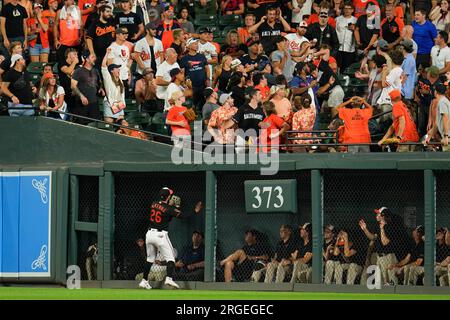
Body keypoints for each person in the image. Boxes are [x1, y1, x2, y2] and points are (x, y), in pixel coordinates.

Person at [138, 187, 203, 289]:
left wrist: (170, 205)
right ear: (168, 196)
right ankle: (169, 279)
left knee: (150, 259)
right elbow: (183, 215)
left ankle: (144, 280)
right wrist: (195, 211)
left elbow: (165, 216)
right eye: (170, 195)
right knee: (171, 258)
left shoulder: (153, 203)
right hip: (160, 235)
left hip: (149, 234)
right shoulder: (169, 209)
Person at [359, 207, 410, 286]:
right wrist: (365, 229)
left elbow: (385, 242)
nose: (376, 215)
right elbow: (373, 238)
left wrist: (382, 228)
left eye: (378, 214)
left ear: (383, 216)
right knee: (381, 283)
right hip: (380, 257)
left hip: (389, 257)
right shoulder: (379, 226)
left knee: (391, 282)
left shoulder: (390, 227)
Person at [228, 87, 265, 153]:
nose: (261, 96)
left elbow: (265, 124)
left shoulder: (261, 110)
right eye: (259, 94)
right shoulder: (243, 108)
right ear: (254, 96)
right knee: (239, 158)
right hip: (242, 137)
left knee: (254, 160)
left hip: (254, 138)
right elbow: (234, 121)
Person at [71, 51, 104, 125]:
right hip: (82, 104)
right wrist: (81, 96)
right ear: (87, 59)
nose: (94, 59)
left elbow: (99, 83)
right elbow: (73, 86)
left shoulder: (96, 70)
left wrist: (101, 88)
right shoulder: (78, 71)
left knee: (96, 124)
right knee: (82, 125)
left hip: (94, 103)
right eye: (92, 57)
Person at [180, 38, 209, 112]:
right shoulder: (184, 59)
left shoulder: (201, 56)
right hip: (191, 87)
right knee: (192, 106)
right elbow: (182, 73)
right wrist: (183, 84)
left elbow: (207, 69)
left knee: (203, 105)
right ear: (189, 46)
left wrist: (208, 79)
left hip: (202, 85)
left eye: (197, 44)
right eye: (195, 44)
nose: (197, 45)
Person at [54, 0, 83, 67]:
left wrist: (80, 37)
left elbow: (81, 26)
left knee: (77, 66)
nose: (73, 1)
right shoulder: (59, 12)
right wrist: (55, 39)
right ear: (65, 1)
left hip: (75, 44)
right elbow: (55, 26)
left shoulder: (77, 12)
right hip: (63, 44)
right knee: (63, 66)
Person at [101, 48, 126, 123]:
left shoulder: (120, 79)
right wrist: (107, 53)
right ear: (112, 70)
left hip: (119, 104)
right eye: (117, 68)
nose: (119, 69)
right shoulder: (108, 78)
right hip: (110, 104)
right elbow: (103, 66)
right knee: (109, 125)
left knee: (122, 125)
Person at [426, 83, 450, 150]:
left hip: (448, 138)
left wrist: (446, 136)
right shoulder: (444, 101)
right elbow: (437, 124)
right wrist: (429, 137)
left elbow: (446, 118)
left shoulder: (442, 102)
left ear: (435, 91)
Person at [107, 27, 131, 94]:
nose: (126, 35)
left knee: (125, 100)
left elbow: (127, 63)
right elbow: (110, 65)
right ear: (117, 35)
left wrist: (129, 75)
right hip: (116, 79)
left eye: (126, 33)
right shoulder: (112, 47)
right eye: (123, 33)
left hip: (125, 78)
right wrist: (114, 79)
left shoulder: (126, 48)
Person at [335, 2, 357, 73]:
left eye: (349, 9)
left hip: (350, 49)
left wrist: (354, 29)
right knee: (337, 67)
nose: (347, 10)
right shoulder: (337, 19)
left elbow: (358, 33)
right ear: (343, 9)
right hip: (338, 48)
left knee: (346, 69)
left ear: (352, 10)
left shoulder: (356, 20)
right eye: (345, 8)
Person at [58, 48, 79, 115]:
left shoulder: (77, 67)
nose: (77, 56)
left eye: (77, 55)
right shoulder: (62, 63)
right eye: (75, 54)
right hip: (64, 92)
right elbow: (68, 71)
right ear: (69, 55)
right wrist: (74, 62)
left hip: (74, 92)